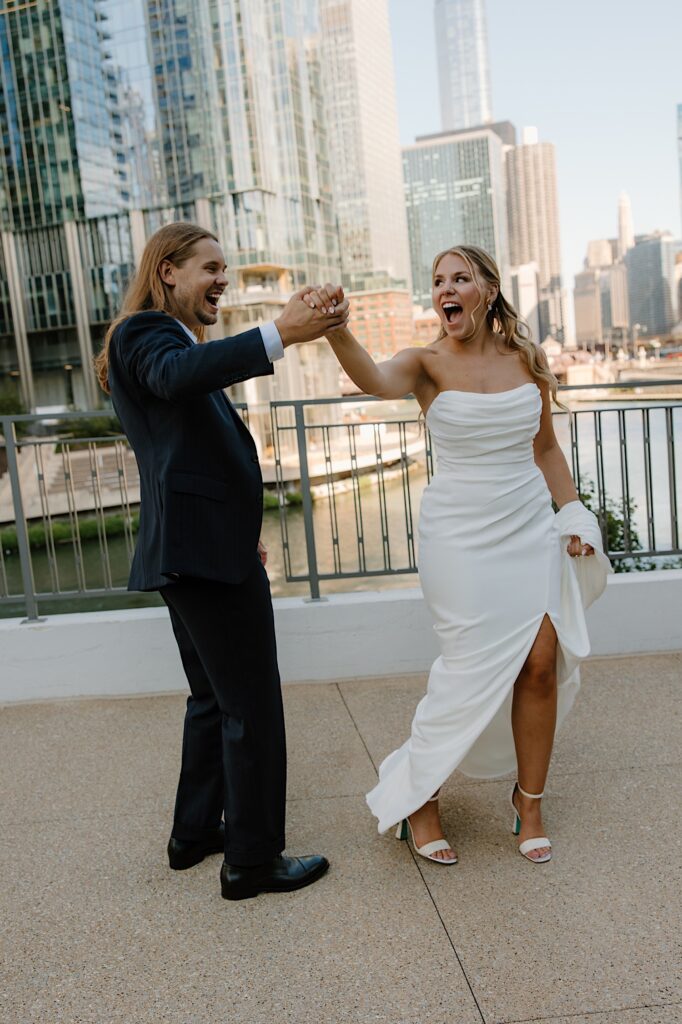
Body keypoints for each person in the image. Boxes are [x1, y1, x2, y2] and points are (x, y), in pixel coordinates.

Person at [308, 245, 611, 864]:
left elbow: (547, 450)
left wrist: (573, 514)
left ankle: (529, 803)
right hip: (460, 538)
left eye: (460, 278)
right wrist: (339, 331)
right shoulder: (425, 363)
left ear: (487, 289)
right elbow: (372, 378)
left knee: (541, 664)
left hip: (529, 527)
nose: (447, 289)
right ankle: (419, 796)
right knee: (468, 671)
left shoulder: (527, 358)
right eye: (438, 281)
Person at [94, 221, 349, 899]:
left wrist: (239, 530)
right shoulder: (145, 334)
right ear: (168, 271)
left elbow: (194, 452)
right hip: (202, 556)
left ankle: (195, 833)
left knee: (212, 699)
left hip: (203, 547)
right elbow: (179, 380)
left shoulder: (174, 341)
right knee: (251, 707)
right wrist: (279, 334)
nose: (221, 280)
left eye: (225, 270)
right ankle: (252, 861)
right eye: (210, 267)